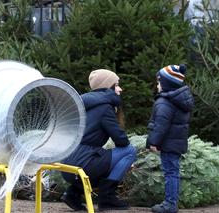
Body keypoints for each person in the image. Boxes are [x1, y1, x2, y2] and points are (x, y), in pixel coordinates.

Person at [61, 69, 137, 211]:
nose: (120, 89)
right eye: (117, 85)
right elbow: (122, 141)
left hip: (66, 164)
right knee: (130, 151)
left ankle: (72, 193)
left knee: (102, 158)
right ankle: (107, 197)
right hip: (83, 163)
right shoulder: (104, 108)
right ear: (108, 87)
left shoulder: (81, 104)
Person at [146, 64, 194, 213]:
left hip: (168, 144)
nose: (157, 85)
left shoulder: (165, 102)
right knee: (173, 172)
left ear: (167, 84)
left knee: (170, 173)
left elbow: (160, 126)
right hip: (176, 143)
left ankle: (169, 205)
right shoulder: (179, 100)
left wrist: (153, 142)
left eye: (159, 82)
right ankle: (171, 203)